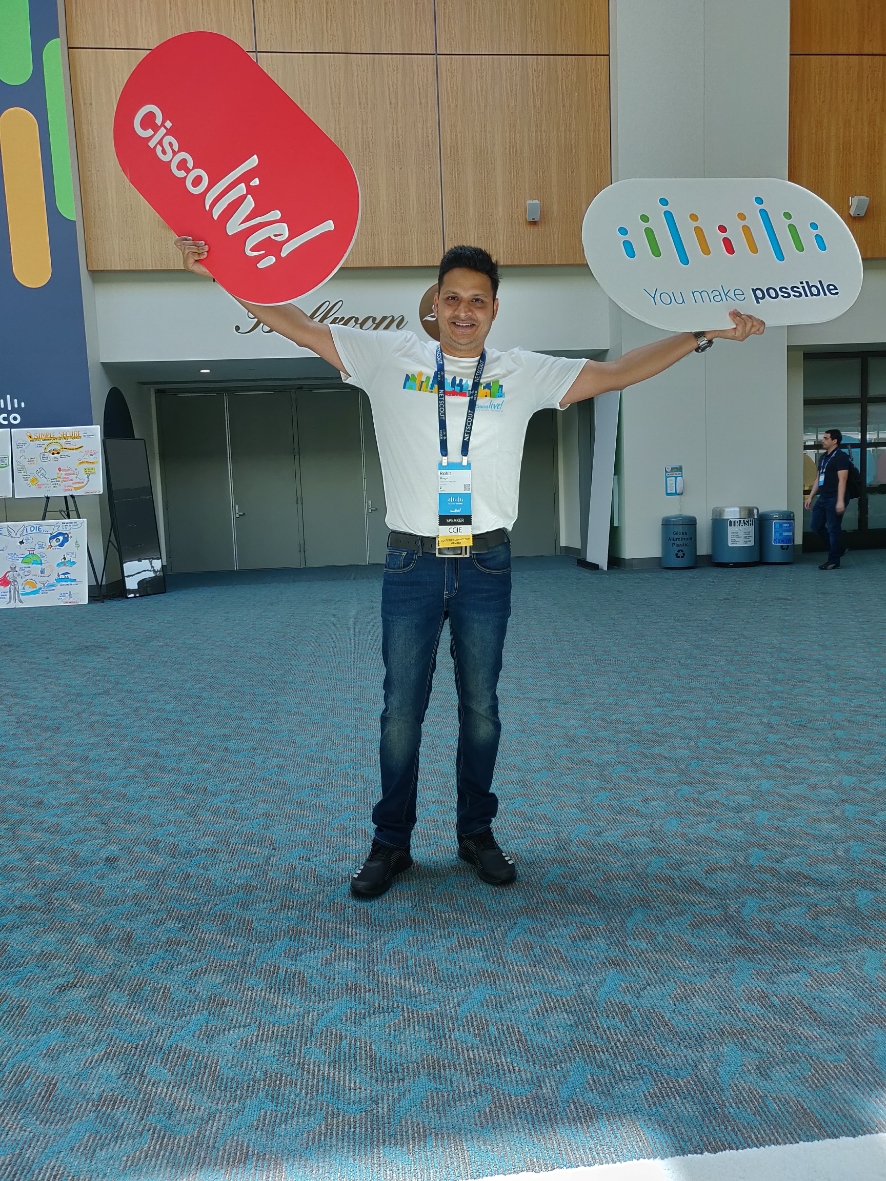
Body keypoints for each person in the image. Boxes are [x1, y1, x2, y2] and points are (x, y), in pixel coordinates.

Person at [175, 236, 765, 898]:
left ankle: (475, 833)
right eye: (451, 297)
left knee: (481, 708)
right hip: (412, 563)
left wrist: (700, 334)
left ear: (494, 309)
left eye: (477, 301)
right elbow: (298, 324)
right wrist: (221, 272)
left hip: (486, 562)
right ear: (434, 302)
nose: (463, 310)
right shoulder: (387, 356)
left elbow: (618, 370)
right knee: (402, 709)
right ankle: (390, 842)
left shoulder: (521, 371)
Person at [804, 429, 850, 570]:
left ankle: (833, 560)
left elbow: (843, 479)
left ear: (834, 441)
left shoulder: (841, 457)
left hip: (835, 497)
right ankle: (839, 548)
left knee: (833, 529)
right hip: (823, 497)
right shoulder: (824, 457)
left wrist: (840, 501)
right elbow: (818, 478)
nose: (822, 440)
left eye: (825, 438)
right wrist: (811, 496)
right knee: (816, 526)